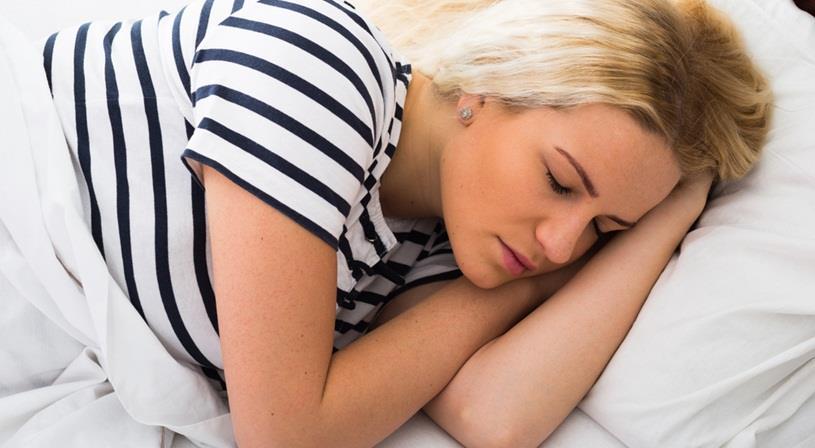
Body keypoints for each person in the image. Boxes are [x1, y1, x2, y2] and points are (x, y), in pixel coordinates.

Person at [39, 0, 771, 446]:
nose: (560, 245)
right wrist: (523, 293)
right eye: (558, 181)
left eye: (602, 229)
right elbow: (286, 435)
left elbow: (493, 418)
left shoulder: (434, 242)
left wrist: (670, 217)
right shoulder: (324, 64)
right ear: (487, 82)